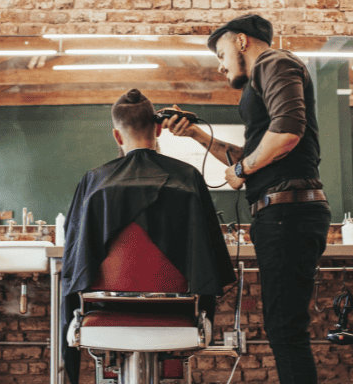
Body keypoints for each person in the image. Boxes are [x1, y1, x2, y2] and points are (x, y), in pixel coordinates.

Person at [161, 14, 331, 384]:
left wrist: (240, 173)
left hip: (289, 211)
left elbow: (287, 133)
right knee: (284, 328)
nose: (220, 66)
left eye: (221, 53)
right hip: (283, 212)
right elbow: (257, 155)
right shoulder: (261, 82)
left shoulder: (275, 62)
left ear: (241, 41)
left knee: (286, 330)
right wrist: (194, 134)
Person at [61, 89, 237, 384]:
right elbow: (208, 255)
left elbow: (74, 257)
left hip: (105, 308)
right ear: (158, 129)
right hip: (179, 308)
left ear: (117, 136)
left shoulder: (94, 181)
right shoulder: (188, 177)